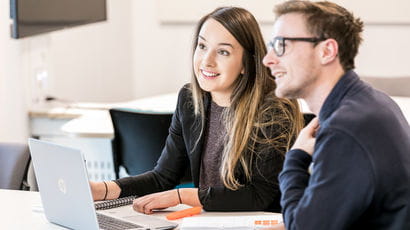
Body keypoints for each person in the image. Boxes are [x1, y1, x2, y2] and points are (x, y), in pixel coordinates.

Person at [91, 6, 303, 214]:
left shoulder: (273, 109)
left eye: (223, 52)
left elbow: (259, 196)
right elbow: (162, 177)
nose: (207, 61)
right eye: (202, 46)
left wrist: (182, 196)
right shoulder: (191, 100)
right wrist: (100, 190)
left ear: (246, 64)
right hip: (207, 221)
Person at [263, 1, 410, 229]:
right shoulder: (374, 102)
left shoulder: (347, 128)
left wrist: (296, 157)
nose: (268, 59)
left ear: (327, 51)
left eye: (281, 45)